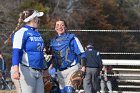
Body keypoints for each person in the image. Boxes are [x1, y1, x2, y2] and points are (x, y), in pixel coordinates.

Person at [11, 9, 45, 93]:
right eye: (37, 17)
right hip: (25, 70)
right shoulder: (21, 32)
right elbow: (16, 52)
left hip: (38, 71)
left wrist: (45, 69)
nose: (39, 20)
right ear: (34, 19)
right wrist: (16, 70)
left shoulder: (37, 33)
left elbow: (39, 53)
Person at [50, 19, 86, 93]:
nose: (60, 27)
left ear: (65, 27)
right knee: (62, 91)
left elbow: (82, 53)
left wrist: (83, 67)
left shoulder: (72, 38)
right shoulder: (53, 42)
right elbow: (52, 57)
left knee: (69, 90)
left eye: (62, 25)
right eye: (57, 25)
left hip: (72, 68)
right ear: (55, 28)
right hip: (60, 71)